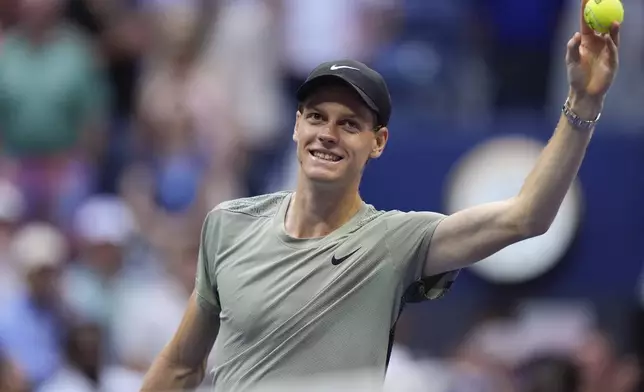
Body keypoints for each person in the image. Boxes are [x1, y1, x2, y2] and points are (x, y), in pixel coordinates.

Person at [140, 1, 621, 390]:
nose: (327, 134)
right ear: (295, 126)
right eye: (315, 116)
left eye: (349, 124)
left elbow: (526, 218)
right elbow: (181, 369)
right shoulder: (229, 223)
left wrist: (583, 103)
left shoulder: (395, 241)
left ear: (378, 142)